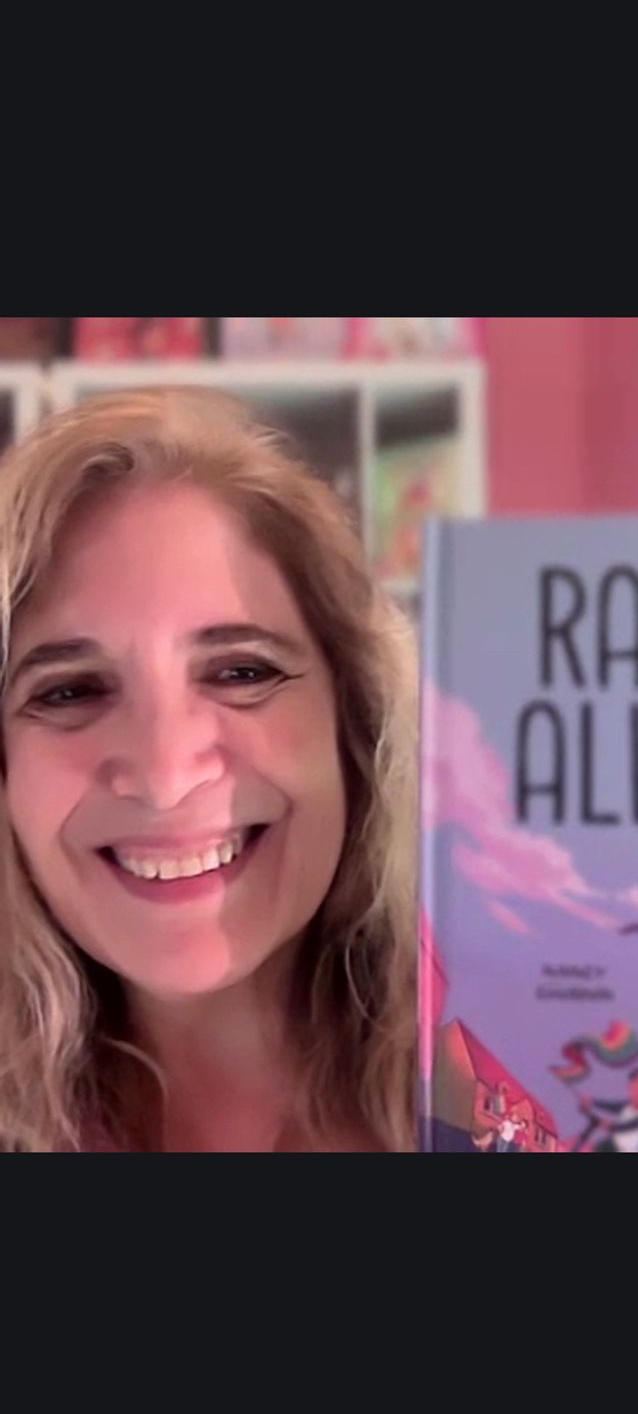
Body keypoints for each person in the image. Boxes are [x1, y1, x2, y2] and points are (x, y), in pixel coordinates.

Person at [0, 389, 418, 1151]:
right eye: (69, 691)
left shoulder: (543, 1077)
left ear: (354, 718)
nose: (165, 776)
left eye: (240, 673)